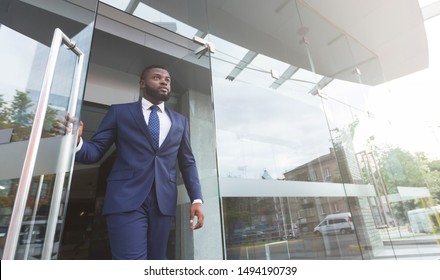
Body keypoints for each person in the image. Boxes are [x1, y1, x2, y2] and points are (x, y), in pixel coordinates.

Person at [74, 64, 204, 260]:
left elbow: (187, 163)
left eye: (167, 79)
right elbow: (94, 152)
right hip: (126, 199)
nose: (164, 82)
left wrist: (197, 199)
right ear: (142, 83)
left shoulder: (180, 121)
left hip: (163, 201)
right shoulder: (120, 113)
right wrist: (76, 142)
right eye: (157, 77)